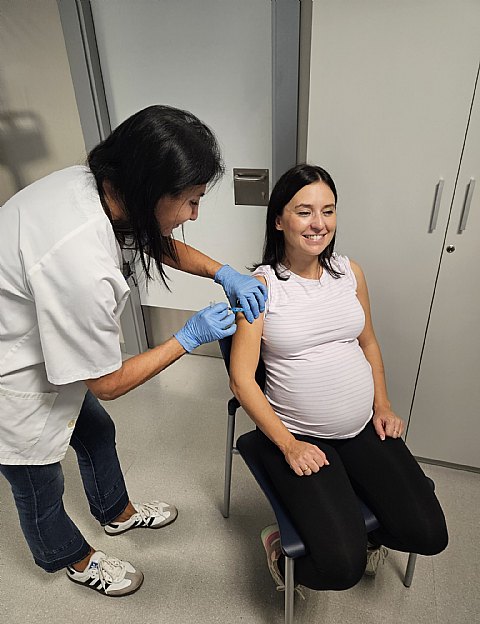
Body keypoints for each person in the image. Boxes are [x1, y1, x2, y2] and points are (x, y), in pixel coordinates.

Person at [0, 105, 267, 597]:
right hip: (11, 373)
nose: (194, 215)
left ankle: (115, 513)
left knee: (96, 430)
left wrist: (221, 271)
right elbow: (108, 383)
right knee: (37, 483)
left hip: (37, 329)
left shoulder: (100, 183)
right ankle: (72, 559)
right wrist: (187, 337)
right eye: (189, 201)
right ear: (150, 191)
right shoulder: (80, 262)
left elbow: (149, 235)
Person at [229, 164, 448, 592]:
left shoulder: (350, 272)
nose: (319, 224)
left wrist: (382, 405)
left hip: (362, 427)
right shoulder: (261, 287)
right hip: (300, 436)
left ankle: (353, 521)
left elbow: (368, 343)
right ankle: (278, 549)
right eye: (304, 211)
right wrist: (289, 444)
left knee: (429, 535)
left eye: (328, 211)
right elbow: (241, 380)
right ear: (279, 219)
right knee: (341, 569)